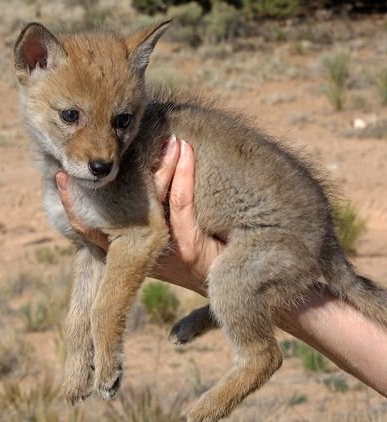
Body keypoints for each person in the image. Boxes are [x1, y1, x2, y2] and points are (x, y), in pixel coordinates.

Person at [55, 136, 387, 397]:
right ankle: (226, 308)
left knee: (231, 280)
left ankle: (249, 347)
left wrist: (208, 272)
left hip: (274, 230)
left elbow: (140, 237)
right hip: (277, 234)